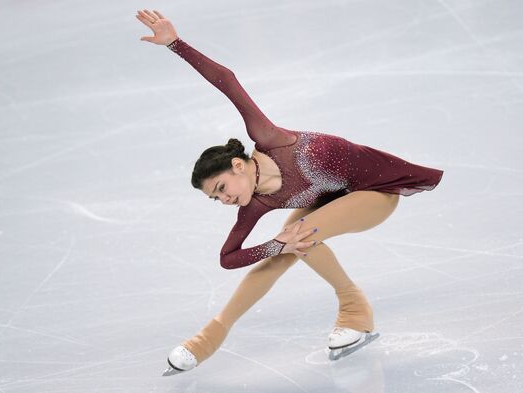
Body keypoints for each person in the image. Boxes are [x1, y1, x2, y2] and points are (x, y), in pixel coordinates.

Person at [135, 9, 444, 375]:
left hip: (376, 193)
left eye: (221, 188)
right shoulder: (256, 205)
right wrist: (274, 246)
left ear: (237, 166)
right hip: (334, 199)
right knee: (286, 249)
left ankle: (354, 309)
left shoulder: (270, 140)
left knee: (300, 235)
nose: (223, 199)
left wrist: (175, 44)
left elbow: (227, 81)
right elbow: (228, 257)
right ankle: (208, 338)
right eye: (214, 198)